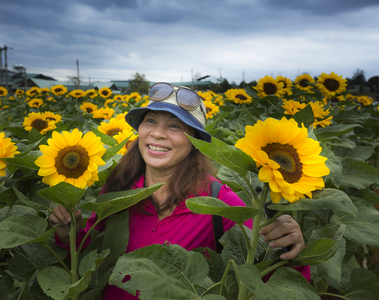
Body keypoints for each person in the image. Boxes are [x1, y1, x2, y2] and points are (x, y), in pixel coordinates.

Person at [49, 82, 308, 299]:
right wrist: (67, 233)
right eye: (151, 121)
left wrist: (290, 247)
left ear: (195, 141)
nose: (158, 134)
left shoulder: (219, 200)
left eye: (175, 126)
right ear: (139, 130)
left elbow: (267, 267)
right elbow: (93, 257)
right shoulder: (119, 187)